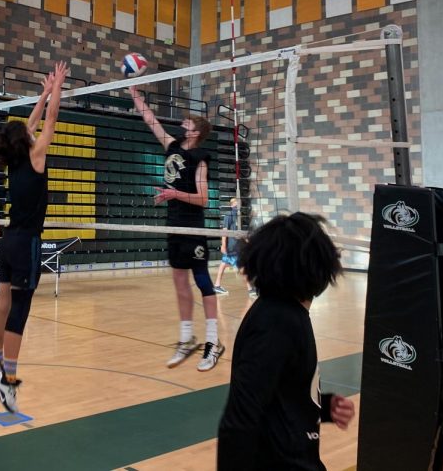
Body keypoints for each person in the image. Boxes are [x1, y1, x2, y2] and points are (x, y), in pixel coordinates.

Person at [217, 212, 356, 470]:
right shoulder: (276, 322)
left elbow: (281, 395)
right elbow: (239, 420)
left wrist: (322, 406)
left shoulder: (286, 315)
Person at [0, 61, 68, 413]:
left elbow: (33, 123)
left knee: (3, 302)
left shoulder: (17, 159)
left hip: (8, 242)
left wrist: (44, 93)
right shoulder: (34, 155)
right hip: (27, 243)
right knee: (20, 308)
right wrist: (58, 89)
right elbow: (48, 122)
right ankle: (9, 380)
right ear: (27, 141)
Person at [128, 85, 224, 372]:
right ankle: (186, 338)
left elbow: (204, 198)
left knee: (203, 283)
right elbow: (152, 122)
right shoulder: (171, 146)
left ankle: (212, 342)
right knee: (179, 283)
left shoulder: (200, 158)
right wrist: (135, 97)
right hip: (173, 224)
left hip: (193, 226)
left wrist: (174, 194)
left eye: (188, 123)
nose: (183, 124)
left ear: (195, 132)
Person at [213, 197, 241, 295]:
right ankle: (251, 290)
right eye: (237, 203)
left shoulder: (239, 215)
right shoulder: (229, 215)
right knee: (244, 267)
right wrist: (223, 245)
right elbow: (224, 231)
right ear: (233, 204)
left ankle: (217, 285)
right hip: (231, 247)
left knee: (224, 264)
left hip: (236, 246)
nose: (239, 205)